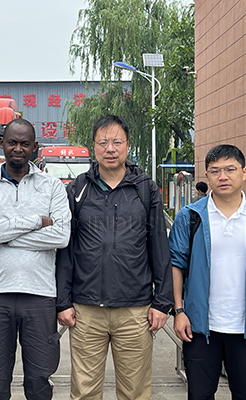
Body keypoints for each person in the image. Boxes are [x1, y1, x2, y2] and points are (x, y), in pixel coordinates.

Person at [56, 115, 173, 400]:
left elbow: (159, 246)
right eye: (103, 142)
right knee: (84, 391)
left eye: (117, 142)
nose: (110, 148)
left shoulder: (145, 188)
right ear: (93, 147)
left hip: (135, 310)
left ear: (128, 146)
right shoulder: (78, 189)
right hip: (85, 310)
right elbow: (66, 249)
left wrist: (162, 302)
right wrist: (63, 300)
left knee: (134, 392)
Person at [168, 144, 246, 400]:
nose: (223, 176)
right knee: (199, 395)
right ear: (207, 175)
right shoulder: (190, 217)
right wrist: (178, 311)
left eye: (230, 169)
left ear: (244, 172)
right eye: (215, 171)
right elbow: (176, 265)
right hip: (199, 329)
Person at [0, 118, 71, 400]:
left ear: (35, 147)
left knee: (39, 379)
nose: (18, 149)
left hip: (40, 295)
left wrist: (2, 236)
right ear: (1, 143)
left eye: (25, 143)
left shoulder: (52, 187)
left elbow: (61, 237)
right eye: (12, 142)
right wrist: (37, 221)